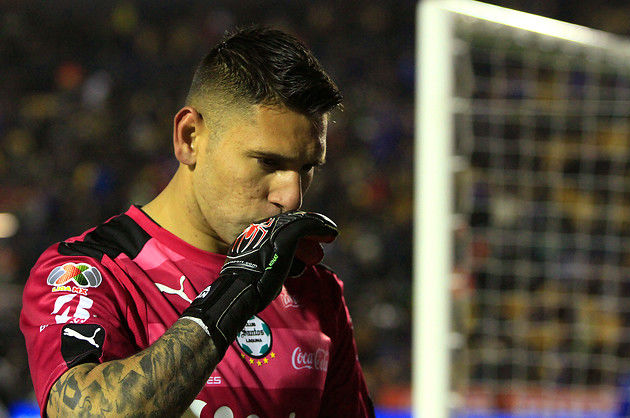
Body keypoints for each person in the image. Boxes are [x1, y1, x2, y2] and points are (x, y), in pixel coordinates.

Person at [20, 26, 374, 417]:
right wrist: (234, 292)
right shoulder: (91, 273)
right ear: (189, 138)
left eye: (307, 167)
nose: (292, 197)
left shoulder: (317, 291)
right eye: (268, 162)